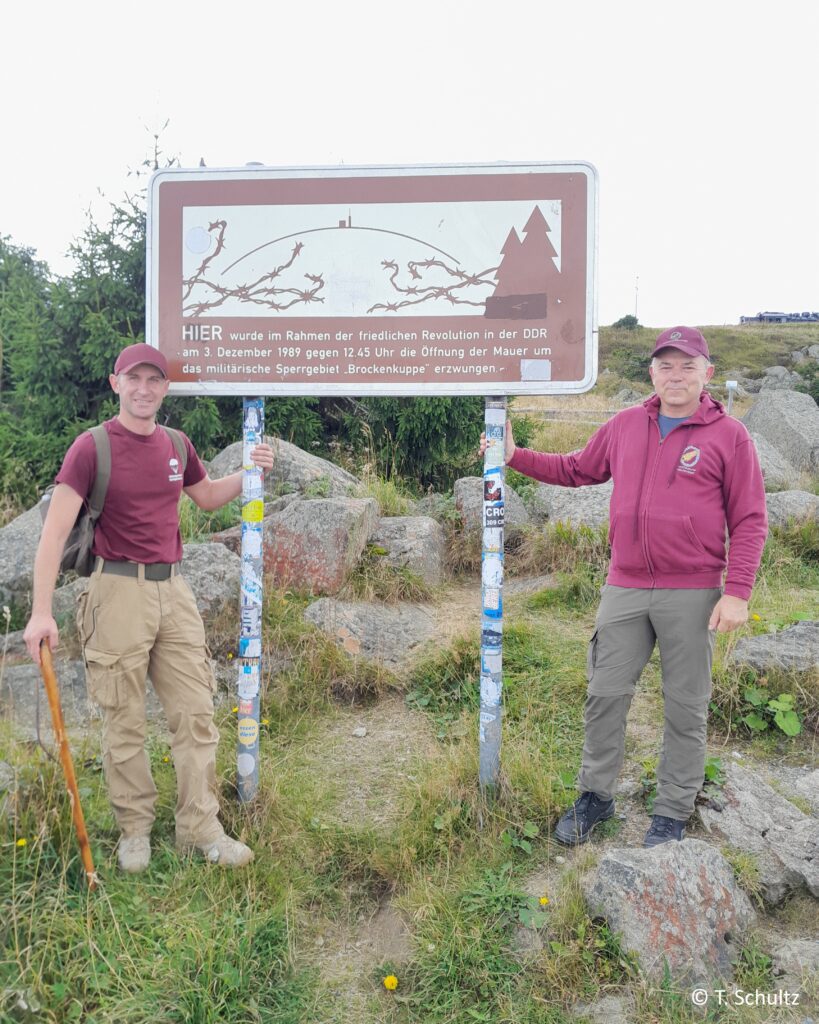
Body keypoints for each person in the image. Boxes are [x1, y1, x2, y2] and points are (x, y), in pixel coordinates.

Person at [482, 326, 768, 847]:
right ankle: (596, 796)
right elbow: (576, 469)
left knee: (686, 705)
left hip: (694, 590)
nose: (675, 375)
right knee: (605, 694)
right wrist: (515, 455)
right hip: (626, 586)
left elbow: (750, 519)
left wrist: (738, 592)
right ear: (651, 373)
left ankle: (672, 811)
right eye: (665, 365)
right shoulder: (626, 425)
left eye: (687, 365)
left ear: (707, 372)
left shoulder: (730, 436)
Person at [24, 343, 275, 872]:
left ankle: (200, 828)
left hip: (174, 590)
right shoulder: (91, 449)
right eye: (132, 378)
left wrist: (253, 473)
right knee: (124, 719)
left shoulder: (177, 445)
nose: (143, 389)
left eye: (153, 380)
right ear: (115, 383)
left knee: (196, 712)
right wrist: (40, 611)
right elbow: (53, 534)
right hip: (115, 591)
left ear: (165, 388)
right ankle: (134, 830)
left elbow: (205, 497)